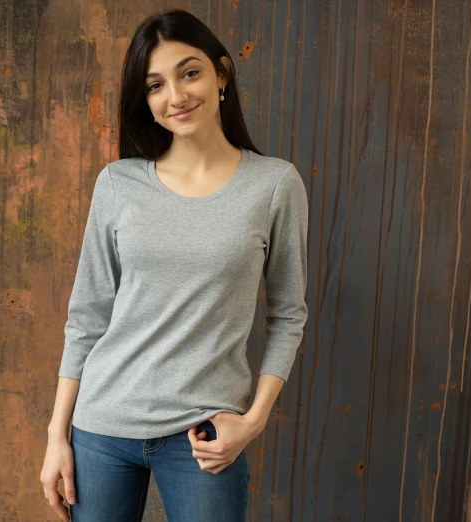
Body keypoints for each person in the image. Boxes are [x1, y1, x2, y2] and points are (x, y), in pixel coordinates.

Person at [40, 8, 308, 522]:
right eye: (155, 85)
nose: (176, 96)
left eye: (190, 73)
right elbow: (87, 317)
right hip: (101, 428)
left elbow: (288, 315)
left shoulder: (274, 185)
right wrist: (57, 436)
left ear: (221, 75)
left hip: (203, 438)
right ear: (145, 100)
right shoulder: (118, 184)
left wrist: (251, 421)